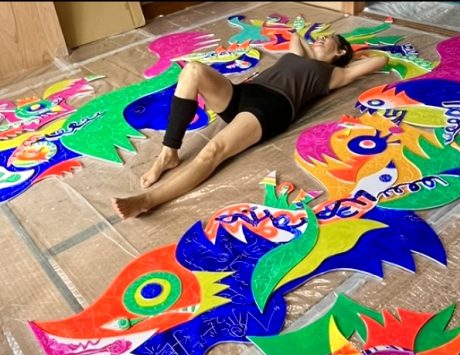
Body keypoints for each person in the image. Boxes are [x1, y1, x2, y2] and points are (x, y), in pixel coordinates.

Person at [112, 32, 387, 220]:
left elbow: (381, 60)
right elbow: (296, 38)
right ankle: (168, 152)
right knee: (192, 69)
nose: (322, 38)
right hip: (245, 93)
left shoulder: (336, 73)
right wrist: (314, 48)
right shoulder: (299, 56)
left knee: (213, 151)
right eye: (321, 37)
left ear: (340, 51)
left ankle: (147, 201)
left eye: (330, 39)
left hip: (271, 107)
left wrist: (341, 55)